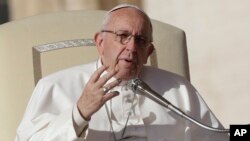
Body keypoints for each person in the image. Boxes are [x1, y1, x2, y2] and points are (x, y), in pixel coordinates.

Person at [16, 4, 229, 141]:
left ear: (149, 52)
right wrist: (79, 113)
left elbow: (220, 137)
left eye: (140, 40)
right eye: (122, 36)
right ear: (100, 42)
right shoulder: (56, 86)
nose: (131, 47)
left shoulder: (178, 89)